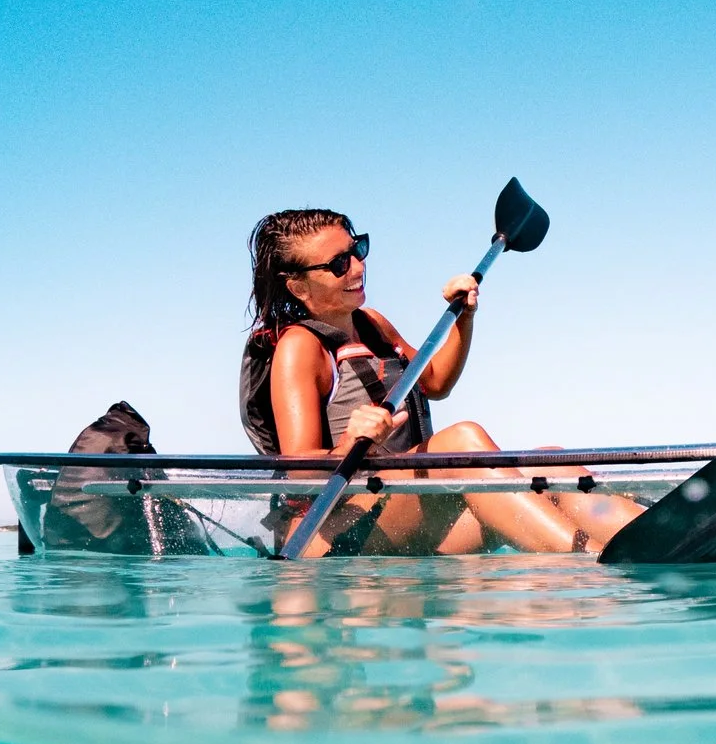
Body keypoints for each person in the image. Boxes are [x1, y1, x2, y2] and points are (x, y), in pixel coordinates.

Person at [239, 209, 634, 555]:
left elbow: (435, 382)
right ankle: (596, 567)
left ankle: (648, 537)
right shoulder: (300, 347)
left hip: (393, 510)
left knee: (550, 466)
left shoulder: (371, 323)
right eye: (338, 263)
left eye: (357, 250)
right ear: (299, 286)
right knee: (463, 440)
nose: (358, 268)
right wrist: (346, 445)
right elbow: (299, 472)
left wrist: (463, 316)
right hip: (332, 529)